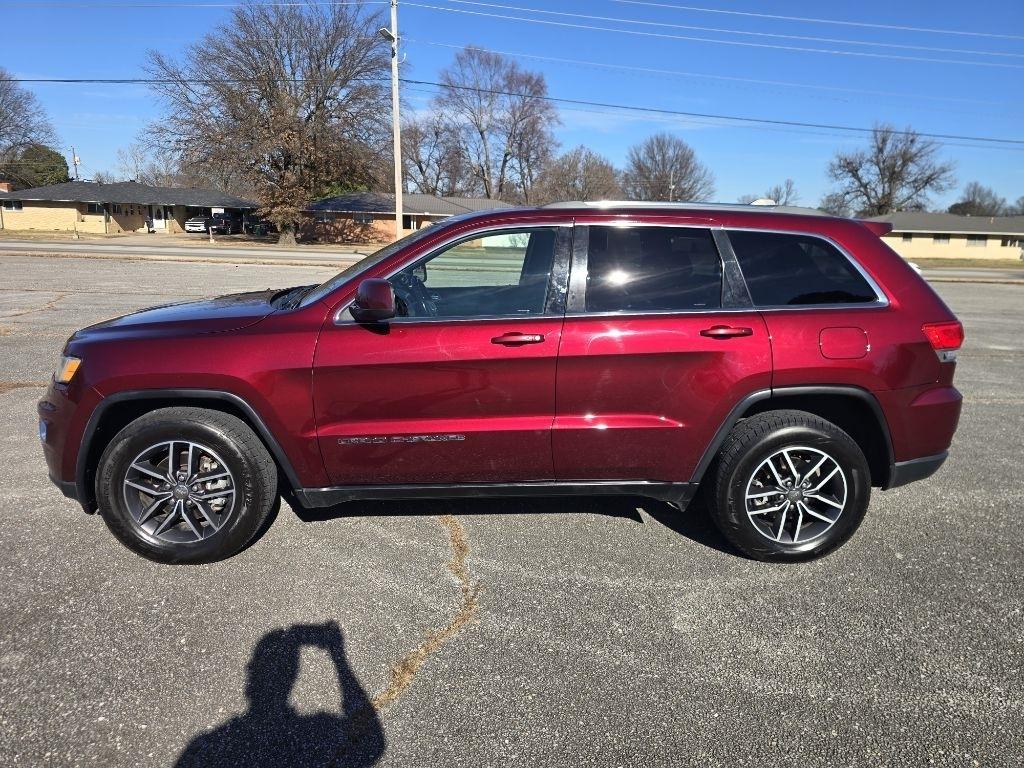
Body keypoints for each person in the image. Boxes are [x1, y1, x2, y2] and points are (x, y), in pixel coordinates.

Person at [175, 622, 385, 767]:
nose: (251, 670)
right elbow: (374, 742)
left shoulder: (204, 746)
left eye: (252, 668)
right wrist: (338, 657)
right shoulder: (320, 727)